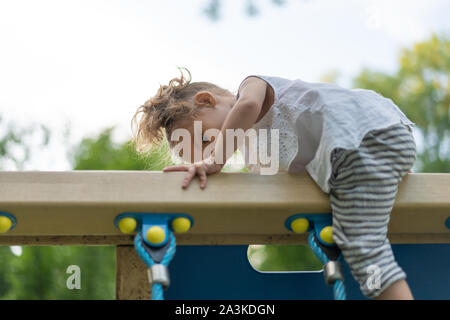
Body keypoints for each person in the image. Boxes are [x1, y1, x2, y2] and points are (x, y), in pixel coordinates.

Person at [131, 67, 416, 300]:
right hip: (375, 146)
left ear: (206, 100)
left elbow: (249, 105)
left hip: (361, 138)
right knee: (359, 242)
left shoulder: (251, 86)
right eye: (205, 152)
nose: (215, 151)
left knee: (364, 246)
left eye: (207, 139)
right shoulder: (257, 150)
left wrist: (215, 160)